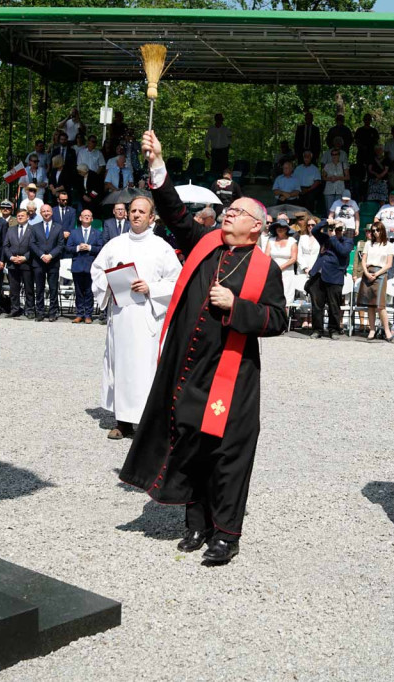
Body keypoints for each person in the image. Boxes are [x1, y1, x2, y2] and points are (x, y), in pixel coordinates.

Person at [119, 130, 287, 565]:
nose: (228, 214)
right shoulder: (205, 243)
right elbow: (174, 212)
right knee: (191, 444)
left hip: (231, 377)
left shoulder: (265, 268)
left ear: (257, 226)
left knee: (227, 454)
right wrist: (157, 164)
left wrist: (239, 307)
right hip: (190, 370)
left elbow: (278, 320)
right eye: (228, 210)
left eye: (238, 212)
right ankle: (196, 524)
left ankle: (226, 535)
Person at [91, 196, 182, 439]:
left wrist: (151, 287)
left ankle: (148, 423)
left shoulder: (161, 247)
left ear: (152, 217)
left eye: (142, 212)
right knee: (121, 366)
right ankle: (122, 422)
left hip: (147, 317)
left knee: (145, 368)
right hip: (121, 316)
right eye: (133, 211)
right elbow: (97, 271)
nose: (136, 215)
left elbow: (177, 281)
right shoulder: (114, 244)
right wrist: (108, 283)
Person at [308, 220, 354, 339]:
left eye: (338, 229)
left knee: (334, 306)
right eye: (333, 229)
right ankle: (317, 329)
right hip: (319, 274)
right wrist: (326, 222)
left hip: (334, 276)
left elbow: (343, 251)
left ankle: (333, 330)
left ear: (343, 231)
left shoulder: (347, 241)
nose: (334, 231)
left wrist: (333, 237)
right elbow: (314, 230)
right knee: (317, 305)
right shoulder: (325, 238)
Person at [65, 208, 104, 324]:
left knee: (89, 291)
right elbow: (68, 247)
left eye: (89, 216)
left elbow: (101, 248)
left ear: (92, 219)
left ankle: (88, 315)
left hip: (91, 266)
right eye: (84, 215)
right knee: (78, 292)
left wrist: (90, 248)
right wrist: (78, 248)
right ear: (80, 218)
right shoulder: (74, 232)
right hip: (77, 265)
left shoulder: (97, 233)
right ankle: (79, 314)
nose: (87, 217)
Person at [358, 221, 394, 341]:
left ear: (382, 230)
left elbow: (389, 264)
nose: (375, 233)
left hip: (381, 274)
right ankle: (372, 329)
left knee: (380, 305)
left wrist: (377, 274)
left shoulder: (389, 245)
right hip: (368, 272)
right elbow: (363, 260)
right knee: (370, 305)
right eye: (373, 231)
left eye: (377, 230)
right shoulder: (369, 244)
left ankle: (387, 330)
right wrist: (367, 273)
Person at [30, 204, 64, 322]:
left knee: (53, 288)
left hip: (53, 262)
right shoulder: (34, 227)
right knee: (39, 288)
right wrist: (42, 255)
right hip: (38, 262)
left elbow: (60, 245)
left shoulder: (59, 227)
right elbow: (32, 244)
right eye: (43, 211)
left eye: (48, 211)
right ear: (40, 213)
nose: (46, 213)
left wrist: (50, 255)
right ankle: (40, 312)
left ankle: (52, 312)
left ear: (52, 212)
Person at [3, 209, 35, 319]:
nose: (20, 217)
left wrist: (24, 257)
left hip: (27, 263)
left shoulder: (33, 230)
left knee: (28, 288)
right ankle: (15, 309)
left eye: (22, 216)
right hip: (13, 263)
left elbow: (34, 246)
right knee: (14, 289)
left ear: (27, 217)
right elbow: (6, 245)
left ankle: (29, 309)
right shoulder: (11, 229)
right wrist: (11, 257)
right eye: (18, 216)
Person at [264, 219, 298, 305]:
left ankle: (285, 317)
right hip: (272, 272)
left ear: (287, 229)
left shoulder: (292, 241)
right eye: (278, 227)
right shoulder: (271, 240)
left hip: (287, 273)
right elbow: (266, 256)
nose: (280, 229)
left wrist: (280, 267)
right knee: (272, 295)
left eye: (282, 227)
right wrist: (273, 268)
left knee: (287, 297)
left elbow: (293, 259)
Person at [352, 113, 379, 200]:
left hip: (371, 156)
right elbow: (356, 141)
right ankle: (360, 195)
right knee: (360, 175)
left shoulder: (374, 131)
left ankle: (370, 195)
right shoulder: (359, 130)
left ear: (370, 120)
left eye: (369, 119)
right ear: (364, 120)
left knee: (371, 175)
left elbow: (376, 142)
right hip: (361, 156)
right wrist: (362, 147)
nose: (367, 121)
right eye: (366, 119)